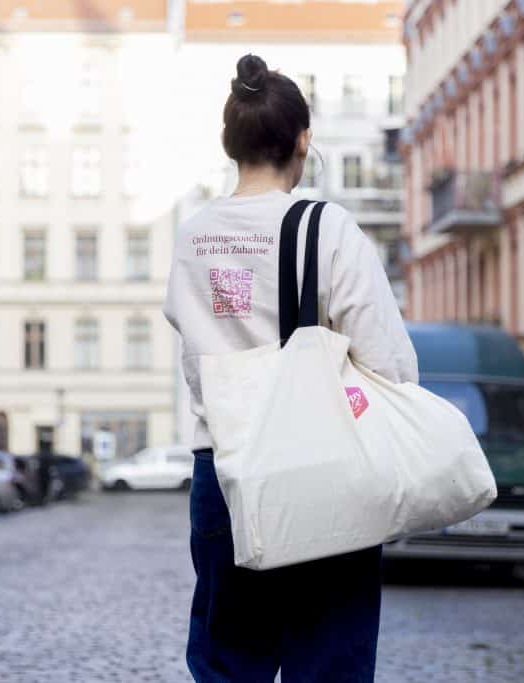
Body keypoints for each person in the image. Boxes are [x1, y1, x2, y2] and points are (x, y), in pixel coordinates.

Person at [163, 54, 418, 682]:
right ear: (303, 141)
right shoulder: (326, 229)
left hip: (222, 472)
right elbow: (389, 363)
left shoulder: (193, 235)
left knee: (230, 663)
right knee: (328, 661)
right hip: (320, 469)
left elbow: (195, 352)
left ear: (231, 144)